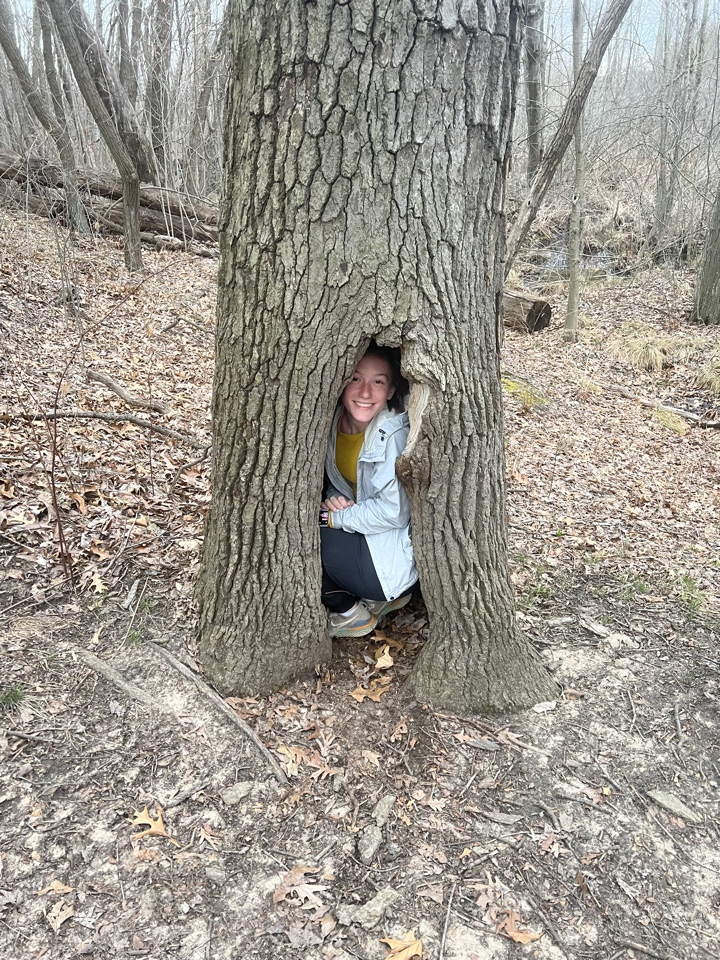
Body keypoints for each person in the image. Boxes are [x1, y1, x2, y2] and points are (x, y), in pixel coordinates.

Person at [320, 343, 418, 637]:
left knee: (300, 533)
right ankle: (381, 598)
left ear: (390, 391)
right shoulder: (330, 421)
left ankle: (350, 613)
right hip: (371, 541)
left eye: (378, 382)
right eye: (355, 378)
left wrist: (333, 518)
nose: (365, 392)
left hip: (393, 559)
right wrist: (333, 500)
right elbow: (342, 483)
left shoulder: (392, 435)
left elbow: (394, 512)